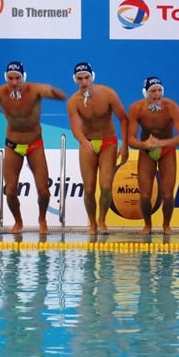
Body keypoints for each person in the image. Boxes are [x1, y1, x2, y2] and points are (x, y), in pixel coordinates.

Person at [0, 61, 67, 234]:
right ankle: (18, 221)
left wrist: (53, 92)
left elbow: (57, 94)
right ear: (6, 78)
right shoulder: (0, 92)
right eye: (11, 78)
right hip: (12, 145)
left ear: (24, 77)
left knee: (44, 191)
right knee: (10, 190)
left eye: (17, 78)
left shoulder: (35, 90)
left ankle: (42, 219)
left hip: (34, 144)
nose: (14, 82)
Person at [66, 62, 129, 235]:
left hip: (108, 142)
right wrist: (83, 141)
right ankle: (92, 223)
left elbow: (123, 119)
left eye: (87, 77)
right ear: (75, 80)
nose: (84, 82)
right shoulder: (73, 102)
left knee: (106, 186)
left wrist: (125, 145)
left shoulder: (108, 94)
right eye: (80, 79)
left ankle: (102, 220)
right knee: (88, 189)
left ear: (92, 77)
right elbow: (75, 127)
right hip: (87, 142)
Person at [126, 77, 179, 235]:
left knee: (167, 195)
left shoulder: (171, 107)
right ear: (146, 93)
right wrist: (144, 145)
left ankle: (166, 225)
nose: (157, 94)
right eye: (153, 91)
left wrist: (161, 143)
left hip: (166, 150)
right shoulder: (136, 109)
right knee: (145, 194)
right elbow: (130, 139)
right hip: (146, 151)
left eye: (159, 90)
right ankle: (148, 225)